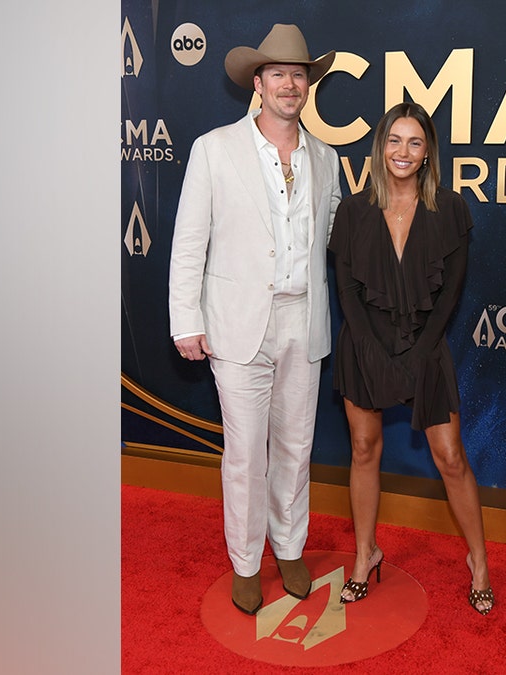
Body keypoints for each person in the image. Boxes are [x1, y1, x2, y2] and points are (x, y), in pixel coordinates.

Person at [168, 24, 341, 616]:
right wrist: (184, 319)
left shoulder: (327, 157)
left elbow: (337, 236)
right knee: (245, 452)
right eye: (278, 74)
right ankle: (245, 562)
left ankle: (289, 548)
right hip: (238, 323)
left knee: (296, 445)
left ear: (307, 84)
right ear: (258, 83)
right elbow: (190, 241)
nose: (289, 84)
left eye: (298, 74)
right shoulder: (214, 148)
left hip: (305, 319)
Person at [329, 102, 494, 615]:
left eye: (414, 142)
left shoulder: (451, 210)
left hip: (426, 346)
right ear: (380, 147)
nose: (403, 151)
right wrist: (373, 352)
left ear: (427, 153)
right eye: (394, 141)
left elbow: (449, 297)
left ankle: (480, 562)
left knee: (450, 457)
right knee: (362, 449)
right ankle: (365, 555)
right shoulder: (353, 211)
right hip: (364, 346)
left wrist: (420, 354)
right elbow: (348, 293)